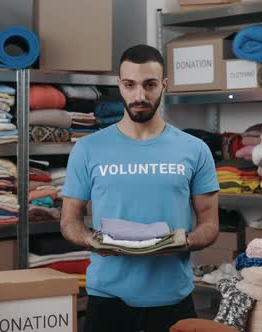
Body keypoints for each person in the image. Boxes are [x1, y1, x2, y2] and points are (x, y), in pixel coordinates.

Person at [60, 44, 220, 332]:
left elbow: (209, 224)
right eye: (130, 85)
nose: (140, 96)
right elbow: (70, 221)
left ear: (164, 86)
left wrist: (182, 241)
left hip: (174, 299)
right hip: (107, 300)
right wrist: (90, 240)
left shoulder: (195, 149)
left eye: (150, 85)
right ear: (119, 85)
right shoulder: (88, 149)